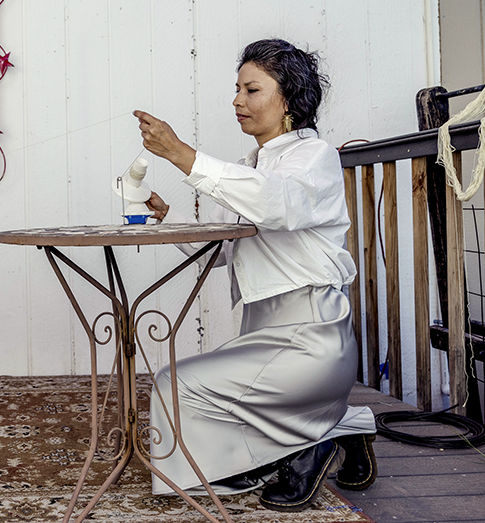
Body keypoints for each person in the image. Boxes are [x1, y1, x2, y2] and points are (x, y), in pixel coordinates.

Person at [133, 38, 377, 512]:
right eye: (237, 89)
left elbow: (276, 205)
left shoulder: (315, 157)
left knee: (172, 385)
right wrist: (167, 219)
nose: (237, 101)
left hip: (311, 338)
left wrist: (182, 153)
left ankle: (310, 444)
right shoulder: (254, 166)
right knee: (187, 389)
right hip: (269, 334)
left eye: (252, 90)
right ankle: (335, 427)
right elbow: (223, 250)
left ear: (289, 100)